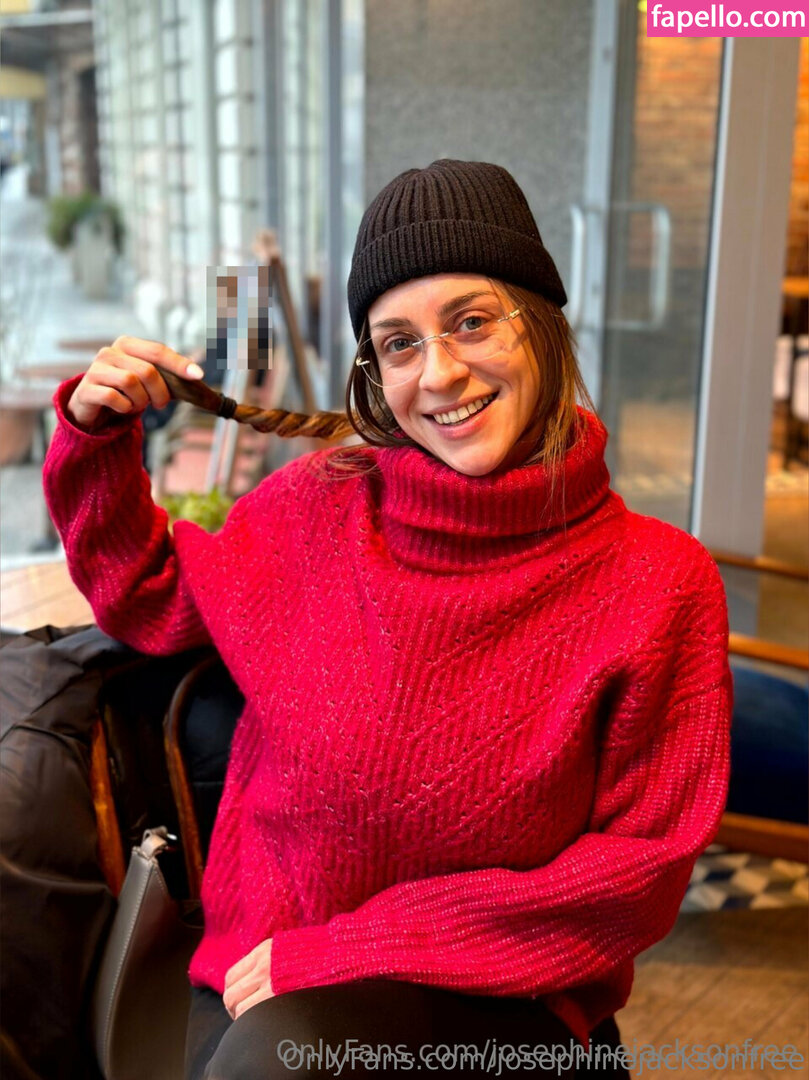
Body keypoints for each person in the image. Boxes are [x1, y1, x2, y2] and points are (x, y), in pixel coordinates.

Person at [42, 159, 732, 1079]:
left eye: (471, 321)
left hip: (502, 1003)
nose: (439, 372)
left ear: (542, 326)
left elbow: (640, 869)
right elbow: (147, 598)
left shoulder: (657, 582)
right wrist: (96, 438)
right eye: (399, 343)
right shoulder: (316, 509)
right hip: (262, 978)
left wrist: (357, 948)